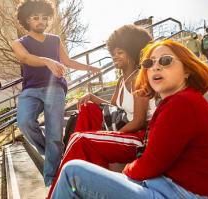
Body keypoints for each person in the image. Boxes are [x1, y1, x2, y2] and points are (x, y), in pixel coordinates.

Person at [50, 39, 208, 199]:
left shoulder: (183, 103)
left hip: (180, 193)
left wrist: (124, 172)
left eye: (166, 61)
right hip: (163, 185)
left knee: (72, 173)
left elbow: (151, 164)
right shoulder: (179, 101)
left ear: (187, 70)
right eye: (149, 63)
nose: (156, 67)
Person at [47, 24, 155, 198]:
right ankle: (85, 172)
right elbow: (112, 107)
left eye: (120, 52)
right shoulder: (122, 79)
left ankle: (64, 188)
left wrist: (113, 134)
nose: (115, 57)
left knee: (79, 139)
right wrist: (93, 98)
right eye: (113, 53)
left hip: (139, 137)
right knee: (88, 108)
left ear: (133, 51)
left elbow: (139, 121)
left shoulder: (137, 77)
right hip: (124, 131)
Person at [12, 0, 100, 187]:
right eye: (35, 18)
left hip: (55, 88)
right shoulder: (19, 42)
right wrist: (46, 61)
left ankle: (51, 181)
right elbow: (25, 58)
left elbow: (67, 61)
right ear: (26, 20)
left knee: (54, 135)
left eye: (44, 18)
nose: (40, 21)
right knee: (24, 122)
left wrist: (88, 67)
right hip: (31, 90)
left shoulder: (55, 40)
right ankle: (53, 152)